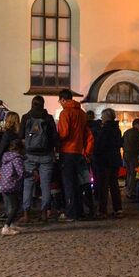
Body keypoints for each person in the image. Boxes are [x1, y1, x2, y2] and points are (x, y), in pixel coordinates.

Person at [19, 95, 58, 222]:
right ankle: (44, 213)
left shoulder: (26, 117)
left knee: (28, 183)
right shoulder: (48, 118)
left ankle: (26, 214)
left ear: (32, 104)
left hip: (30, 155)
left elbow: (20, 136)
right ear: (43, 104)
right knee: (45, 185)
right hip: (46, 155)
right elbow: (54, 138)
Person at [56, 88, 90, 222]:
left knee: (69, 183)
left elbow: (64, 133)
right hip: (79, 152)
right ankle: (80, 211)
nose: (60, 103)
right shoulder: (82, 113)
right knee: (78, 183)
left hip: (68, 151)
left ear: (64, 100)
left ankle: (70, 213)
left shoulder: (65, 113)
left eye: (60, 101)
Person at [93, 108, 124, 218]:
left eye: (102, 116)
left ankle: (102, 210)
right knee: (114, 185)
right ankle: (118, 208)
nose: (101, 118)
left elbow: (100, 146)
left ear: (106, 117)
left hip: (104, 161)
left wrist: (95, 157)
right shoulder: (117, 129)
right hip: (114, 160)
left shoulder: (105, 129)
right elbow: (120, 143)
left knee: (103, 186)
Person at [0, 139, 26, 235]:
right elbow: (21, 172)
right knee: (15, 206)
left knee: (13, 205)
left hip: (4, 184)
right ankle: (6, 226)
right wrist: (31, 174)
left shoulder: (6, 157)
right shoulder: (17, 159)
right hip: (12, 185)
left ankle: (12, 224)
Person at [122, 118, 139, 200]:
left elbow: (122, 142)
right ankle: (131, 191)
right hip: (134, 156)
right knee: (133, 174)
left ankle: (128, 189)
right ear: (137, 124)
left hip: (126, 155)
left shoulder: (127, 132)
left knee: (129, 173)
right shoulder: (137, 133)